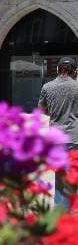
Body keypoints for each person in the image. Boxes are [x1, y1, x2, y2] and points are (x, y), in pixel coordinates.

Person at [38, 56, 78, 208]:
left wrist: (55, 114)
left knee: (60, 176)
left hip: (56, 138)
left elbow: (41, 109)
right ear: (75, 71)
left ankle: (60, 213)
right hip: (75, 137)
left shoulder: (47, 87)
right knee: (74, 174)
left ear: (57, 69)